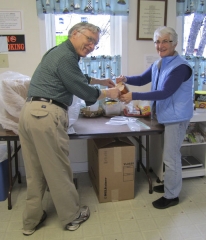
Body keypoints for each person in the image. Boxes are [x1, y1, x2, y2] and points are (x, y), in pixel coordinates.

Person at [18, 22, 120, 236]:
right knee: (59, 171)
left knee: (35, 172)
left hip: (29, 113)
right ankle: (72, 216)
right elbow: (84, 91)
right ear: (75, 33)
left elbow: (75, 77)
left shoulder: (58, 53)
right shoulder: (66, 57)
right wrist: (108, 93)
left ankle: (31, 221)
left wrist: (100, 80)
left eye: (95, 43)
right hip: (46, 115)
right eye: (89, 39)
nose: (92, 45)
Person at [116, 26, 193, 209]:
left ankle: (172, 195)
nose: (160, 45)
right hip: (164, 115)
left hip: (177, 117)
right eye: (157, 42)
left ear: (175, 43)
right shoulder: (160, 63)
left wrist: (133, 96)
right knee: (166, 155)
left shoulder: (180, 67)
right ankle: (169, 186)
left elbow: (165, 92)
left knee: (171, 157)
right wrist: (125, 78)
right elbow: (143, 79)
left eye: (165, 41)